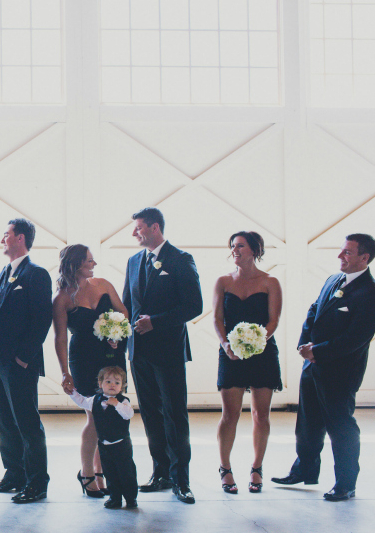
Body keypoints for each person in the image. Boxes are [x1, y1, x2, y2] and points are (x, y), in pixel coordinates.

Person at [272, 234, 375, 501]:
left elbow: (355, 340)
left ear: (364, 258)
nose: (340, 257)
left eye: (347, 252)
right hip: (312, 366)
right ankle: (304, 470)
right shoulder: (332, 280)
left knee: (341, 428)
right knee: (307, 424)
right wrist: (305, 346)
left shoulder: (373, 296)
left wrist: (318, 352)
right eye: (341, 251)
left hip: (340, 374)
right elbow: (314, 310)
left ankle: (346, 484)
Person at [122, 207, 203, 504]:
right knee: (151, 415)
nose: (134, 233)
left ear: (155, 228)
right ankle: (161, 473)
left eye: (139, 227)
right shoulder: (133, 262)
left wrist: (155, 321)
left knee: (174, 414)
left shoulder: (181, 260)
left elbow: (194, 305)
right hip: (138, 351)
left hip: (168, 350)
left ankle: (182, 480)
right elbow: (127, 305)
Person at [0, 218, 53, 504]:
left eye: (6, 234)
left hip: (20, 364)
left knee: (27, 422)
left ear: (20, 238)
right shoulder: (2, 273)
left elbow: (42, 321)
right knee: (5, 421)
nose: (2, 240)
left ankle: (37, 482)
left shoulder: (37, 274)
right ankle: (14, 474)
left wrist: (23, 358)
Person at [53, 244, 129, 498]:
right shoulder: (62, 298)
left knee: (108, 416)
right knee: (95, 417)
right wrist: (65, 372)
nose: (93, 264)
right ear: (75, 264)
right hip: (84, 361)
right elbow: (60, 338)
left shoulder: (104, 284)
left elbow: (124, 312)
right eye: (89, 261)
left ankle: (99, 471)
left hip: (112, 357)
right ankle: (86, 472)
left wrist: (117, 333)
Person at [212, 232, 282, 494]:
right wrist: (227, 345)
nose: (235, 250)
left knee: (260, 415)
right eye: (232, 246)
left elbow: (273, 320)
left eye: (240, 245)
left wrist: (256, 341)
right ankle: (225, 468)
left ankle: (256, 467)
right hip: (230, 353)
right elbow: (217, 319)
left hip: (262, 351)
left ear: (255, 249)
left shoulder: (270, 282)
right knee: (230, 415)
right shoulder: (222, 281)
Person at [67, 367, 138, 510]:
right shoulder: (95, 400)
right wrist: (72, 392)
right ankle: (115, 498)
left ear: (123, 386)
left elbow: (128, 414)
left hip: (121, 445)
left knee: (126, 473)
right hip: (105, 446)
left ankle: (131, 498)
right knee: (110, 473)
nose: (113, 385)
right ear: (100, 384)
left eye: (117, 382)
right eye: (108, 381)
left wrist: (116, 404)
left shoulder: (123, 402)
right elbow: (82, 401)